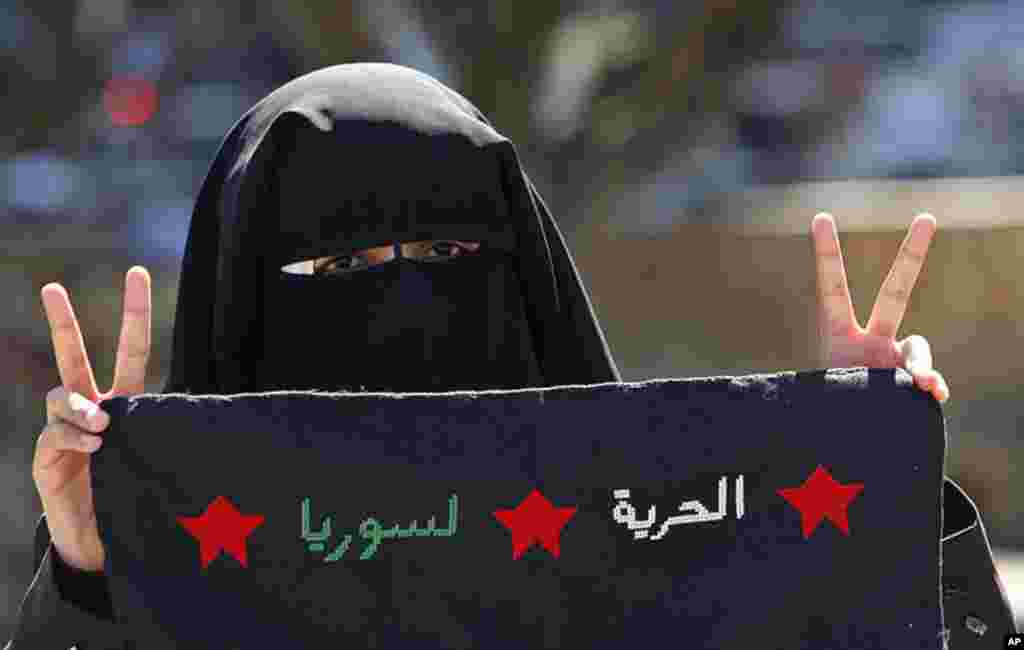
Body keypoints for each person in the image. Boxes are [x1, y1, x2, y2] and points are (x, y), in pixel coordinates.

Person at [6, 63, 1005, 650]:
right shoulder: (182, 574)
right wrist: (98, 564)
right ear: (246, 294)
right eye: (343, 263)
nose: (404, 297)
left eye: (446, 255)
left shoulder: (656, 537)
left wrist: (868, 474)